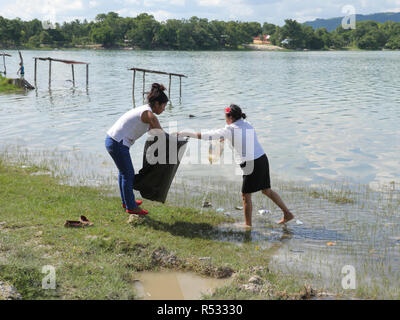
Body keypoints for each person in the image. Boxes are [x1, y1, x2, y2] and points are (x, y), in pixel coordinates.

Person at [178, 104, 294, 227]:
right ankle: (287, 214)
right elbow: (239, 137)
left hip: (251, 164)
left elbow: (207, 136)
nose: (225, 119)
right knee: (266, 190)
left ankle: (248, 226)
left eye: (226, 117)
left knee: (245, 195)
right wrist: (224, 138)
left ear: (231, 117)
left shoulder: (230, 130)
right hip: (262, 159)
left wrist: (185, 133)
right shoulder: (247, 124)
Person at [105, 83, 168, 215]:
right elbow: (160, 133)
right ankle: (131, 207)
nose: (164, 109)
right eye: (163, 106)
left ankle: (126, 201)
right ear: (156, 104)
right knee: (128, 174)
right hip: (118, 143)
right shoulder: (149, 114)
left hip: (113, 140)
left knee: (124, 173)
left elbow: (155, 133)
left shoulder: (145, 111)